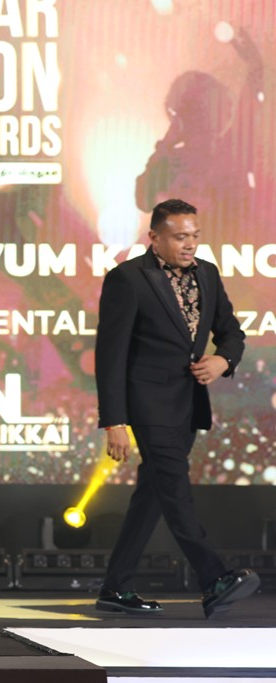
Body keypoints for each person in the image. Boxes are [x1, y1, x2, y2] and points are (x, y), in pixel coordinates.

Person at [94, 198, 258, 618]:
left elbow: (232, 332)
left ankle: (115, 586)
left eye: (195, 236)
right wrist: (114, 420)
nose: (190, 244)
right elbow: (110, 356)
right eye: (180, 236)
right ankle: (214, 578)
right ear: (155, 237)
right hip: (147, 404)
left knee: (153, 494)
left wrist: (224, 360)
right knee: (173, 486)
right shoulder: (127, 279)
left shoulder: (208, 273)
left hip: (187, 403)